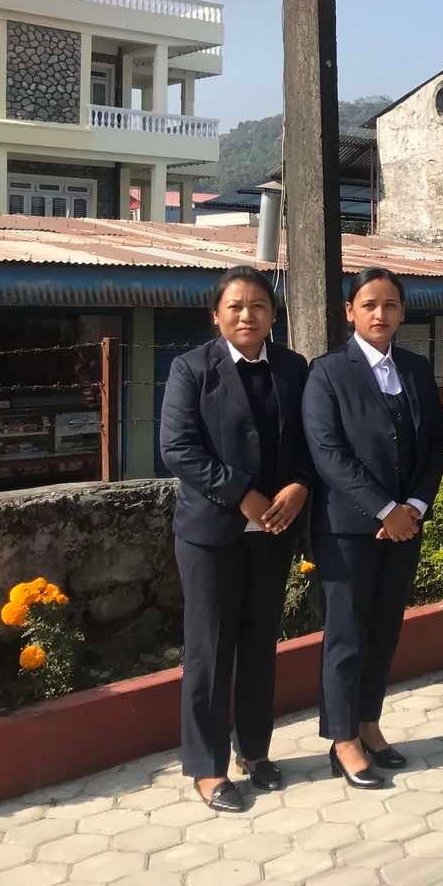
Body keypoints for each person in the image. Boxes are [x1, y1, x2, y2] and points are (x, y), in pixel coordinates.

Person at [160, 265, 314, 812]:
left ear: (273, 315)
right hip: (212, 533)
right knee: (210, 648)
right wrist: (241, 493)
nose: (247, 315)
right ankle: (207, 767)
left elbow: (310, 438)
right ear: (216, 315)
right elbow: (177, 448)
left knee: (259, 643)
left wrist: (300, 484)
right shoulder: (191, 369)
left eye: (258, 306)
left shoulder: (293, 368)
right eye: (236, 306)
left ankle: (255, 750)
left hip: (273, 530)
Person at [303, 267, 443, 788]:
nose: (380, 314)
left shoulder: (415, 369)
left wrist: (414, 505)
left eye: (390, 305)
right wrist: (384, 509)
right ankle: (342, 738)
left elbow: (436, 441)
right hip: (348, 529)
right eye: (369, 305)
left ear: (402, 312)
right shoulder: (327, 372)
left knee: (385, 628)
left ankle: (369, 722)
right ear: (350, 312)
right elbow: (327, 451)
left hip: (405, 525)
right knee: (346, 634)